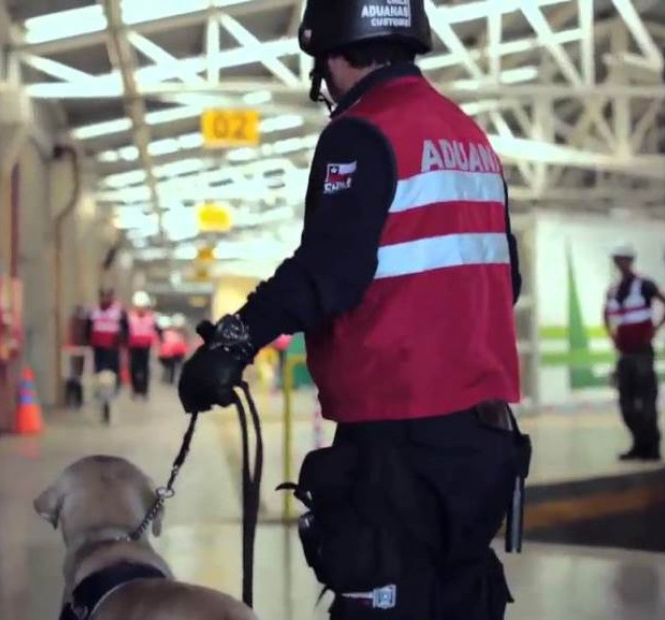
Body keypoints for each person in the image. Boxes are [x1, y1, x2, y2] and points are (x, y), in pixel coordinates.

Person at [178, 2, 527, 618]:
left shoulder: (363, 131)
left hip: (398, 437)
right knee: (459, 597)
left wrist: (235, 340)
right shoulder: (469, 136)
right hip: (482, 440)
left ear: (331, 51)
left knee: (384, 598)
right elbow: (507, 278)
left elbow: (329, 273)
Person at [603, 243, 665, 461]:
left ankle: (651, 448)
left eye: (623, 259)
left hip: (642, 352)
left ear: (630, 261)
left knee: (646, 402)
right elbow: (606, 313)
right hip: (624, 353)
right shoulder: (613, 289)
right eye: (617, 259)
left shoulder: (644, 285)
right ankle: (638, 444)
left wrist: (656, 329)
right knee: (626, 404)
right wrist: (611, 334)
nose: (619, 263)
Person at [89, 287, 126, 391]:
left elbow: (124, 327)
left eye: (107, 296)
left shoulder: (118, 311)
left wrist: (122, 341)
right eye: (103, 296)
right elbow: (88, 327)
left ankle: (114, 388)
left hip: (112, 346)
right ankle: (99, 388)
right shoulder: (94, 311)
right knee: (99, 369)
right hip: (98, 346)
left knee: (113, 369)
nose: (105, 299)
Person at [126, 291, 159, 399]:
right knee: (133, 368)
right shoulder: (130, 317)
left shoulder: (151, 318)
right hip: (133, 346)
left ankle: (144, 390)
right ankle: (135, 390)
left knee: (145, 368)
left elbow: (155, 331)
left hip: (145, 346)